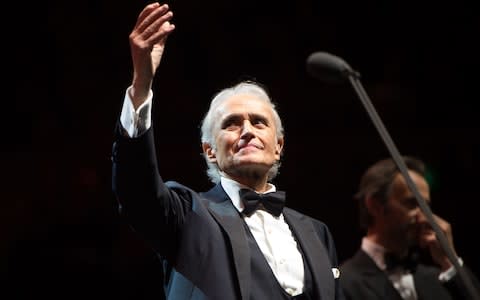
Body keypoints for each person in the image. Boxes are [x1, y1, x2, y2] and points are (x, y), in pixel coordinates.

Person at [111, 2, 344, 300]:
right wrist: (141, 85)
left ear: (279, 147)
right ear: (209, 151)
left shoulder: (317, 232)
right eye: (232, 124)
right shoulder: (188, 216)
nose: (247, 130)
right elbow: (136, 190)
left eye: (259, 123)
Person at [339, 156, 480, 300]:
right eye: (412, 203)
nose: (424, 217)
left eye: (426, 206)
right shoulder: (343, 282)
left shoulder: (438, 278)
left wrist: (450, 262)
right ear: (375, 205)